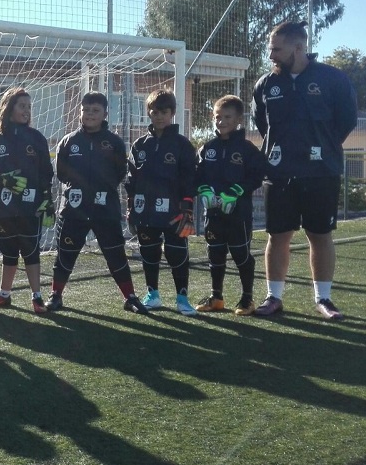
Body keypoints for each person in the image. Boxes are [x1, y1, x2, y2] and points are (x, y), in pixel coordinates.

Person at [252, 21, 357, 320]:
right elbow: (263, 125)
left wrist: (319, 147)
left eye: (276, 49)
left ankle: (323, 299)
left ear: (298, 48)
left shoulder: (333, 79)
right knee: (277, 236)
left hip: (321, 172)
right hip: (279, 172)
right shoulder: (266, 84)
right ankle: (274, 297)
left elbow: (346, 121)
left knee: (320, 234)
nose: (271, 55)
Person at [44, 92, 148, 314]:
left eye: (95, 111)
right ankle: (56, 295)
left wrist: (101, 188)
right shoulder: (68, 141)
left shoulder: (114, 142)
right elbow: (61, 173)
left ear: (104, 114)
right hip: (74, 208)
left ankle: (130, 297)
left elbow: (121, 172)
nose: (90, 114)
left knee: (115, 254)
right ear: (80, 112)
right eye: (86, 110)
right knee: (65, 254)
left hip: (105, 209)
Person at [0, 87, 55, 314]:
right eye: (22, 106)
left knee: (31, 251)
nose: (27, 110)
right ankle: (4, 295)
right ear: (8, 108)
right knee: (8, 252)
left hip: (30, 206)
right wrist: (1, 179)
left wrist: (47, 199)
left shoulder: (36, 138)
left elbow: (46, 172)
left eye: (29, 106)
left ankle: (37, 297)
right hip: (4, 207)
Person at [125, 89, 198, 315]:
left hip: (174, 211)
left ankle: (182, 298)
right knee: (149, 252)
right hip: (145, 210)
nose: (159, 116)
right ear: (149, 112)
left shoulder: (182, 145)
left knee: (177, 252)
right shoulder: (139, 145)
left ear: (173, 113)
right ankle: (152, 294)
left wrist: (187, 207)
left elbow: (190, 178)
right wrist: (130, 207)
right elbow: (131, 179)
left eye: (164, 112)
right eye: (154, 111)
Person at [194, 95, 267, 316]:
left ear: (238, 120)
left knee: (240, 255)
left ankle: (247, 299)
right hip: (213, 215)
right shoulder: (207, 148)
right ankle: (216, 297)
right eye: (217, 117)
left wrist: (235, 192)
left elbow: (257, 176)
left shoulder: (247, 149)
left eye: (227, 117)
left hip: (239, 215)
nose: (221, 121)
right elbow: (197, 175)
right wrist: (204, 189)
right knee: (215, 254)